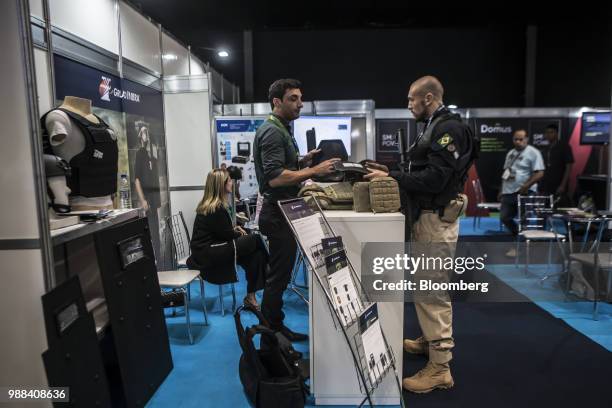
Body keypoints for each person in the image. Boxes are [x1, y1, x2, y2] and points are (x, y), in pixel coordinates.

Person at [365, 76, 477, 393]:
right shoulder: (435, 126)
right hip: (426, 217)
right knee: (424, 285)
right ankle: (429, 342)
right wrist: (392, 173)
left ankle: (440, 368)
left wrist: (394, 177)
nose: (409, 105)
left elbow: (436, 179)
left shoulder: (447, 128)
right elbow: (424, 171)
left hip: (435, 219)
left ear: (428, 97)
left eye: (412, 99)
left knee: (431, 291)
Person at [253, 78, 339, 341]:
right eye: (293, 98)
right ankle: (272, 334)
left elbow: (281, 165)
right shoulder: (272, 131)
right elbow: (275, 178)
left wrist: (303, 160)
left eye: (300, 98)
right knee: (278, 278)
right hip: (277, 213)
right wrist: (314, 170)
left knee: (280, 276)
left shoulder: (282, 128)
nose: (300, 103)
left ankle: (276, 327)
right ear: (277, 101)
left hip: (283, 211)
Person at [189, 168, 267, 309]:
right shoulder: (215, 208)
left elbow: (222, 231)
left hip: (216, 247)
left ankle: (251, 297)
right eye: (229, 181)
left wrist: (236, 231)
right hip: (207, 253)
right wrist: (238, 233)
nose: (232, 183)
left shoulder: (215, 206)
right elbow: (226, 234)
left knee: (256, 255)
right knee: (254, 239)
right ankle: (272, 267)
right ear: (221, 185)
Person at [498, 129, 545, 256]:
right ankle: (519, 239)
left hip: (525, 192)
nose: (518, 142)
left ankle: (520, 248)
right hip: (508, 192)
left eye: (521, 139)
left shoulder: (533, 153)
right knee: (505, 217)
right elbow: (506, 173)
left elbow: (540, 173)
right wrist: (501, 190)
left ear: (526, 139)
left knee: (524, 221)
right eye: (515, 139)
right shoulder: (510, 153)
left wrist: (526, 185)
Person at [134, 125, 162, 259]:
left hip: (155, 199)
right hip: (148, 200)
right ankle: (152, 260)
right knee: (150, 233)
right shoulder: (140, 153)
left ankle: (158, 261)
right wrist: (143, 200)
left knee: (156, 234)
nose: (146, 136)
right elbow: (137, 179)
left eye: (147, 133)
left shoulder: (152, 155)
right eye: (143, 133)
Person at [538, 124, 574, 205]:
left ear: (557, 133)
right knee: (545, 211)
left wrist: (563, 185)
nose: (549, 135)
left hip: (558, 185)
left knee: (559, 210)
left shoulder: (564, 146)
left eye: (551, 132)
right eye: (547, 133)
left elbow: (569, 167)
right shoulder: (546, 148)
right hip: (545, 186)